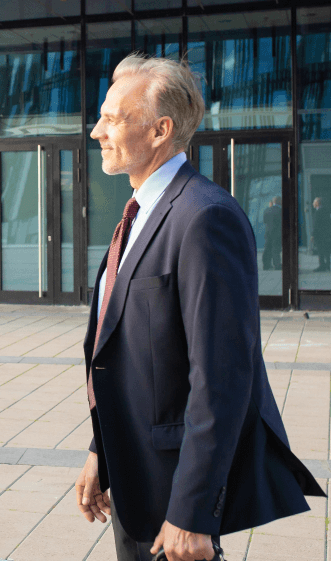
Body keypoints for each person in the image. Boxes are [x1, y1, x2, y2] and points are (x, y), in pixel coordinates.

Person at [76, 54, 324, 561]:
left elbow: (222, 377)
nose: (97, 130)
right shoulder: (141, 211)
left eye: (113, 118)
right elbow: (130, 352)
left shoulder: (205, 218)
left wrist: (192, 509)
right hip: (133, 472)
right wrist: (101, 451)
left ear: (160, 130)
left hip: (174, 491)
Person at [262, 196, 282, 271]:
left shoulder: (267, 210)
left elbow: (264, 221)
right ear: (279, 202)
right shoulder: (280, 210)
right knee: (276, 249)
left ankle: (266, 265)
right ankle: (277, 265)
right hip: (277, 233)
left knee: (267, 248)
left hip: (268, 232)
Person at [312, 197, 331, 272]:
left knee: (320, 251)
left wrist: (312, 235)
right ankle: (328, 265)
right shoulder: (327, 211)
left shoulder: (317, 212)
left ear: (317, 203)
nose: (313, 203)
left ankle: (322, 266)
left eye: (314, 202)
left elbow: (316, 225)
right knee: (327, 250)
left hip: (319, 235)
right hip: (327, 234)